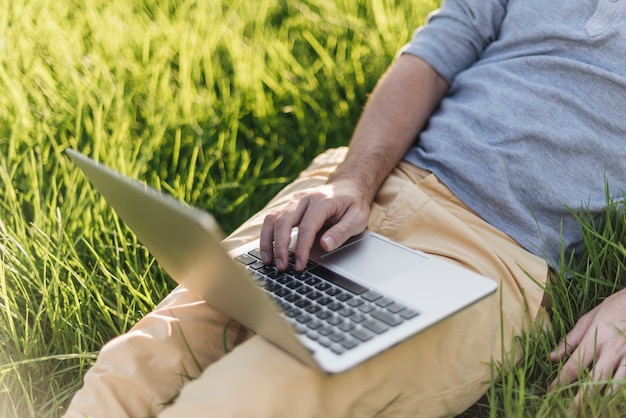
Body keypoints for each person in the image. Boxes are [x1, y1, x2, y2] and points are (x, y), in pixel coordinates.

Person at [65, 0, 626, 416]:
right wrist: (352, 181)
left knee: (255, 396)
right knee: (139, 358)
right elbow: (434, 53)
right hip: (361, 191)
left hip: (491, 254)